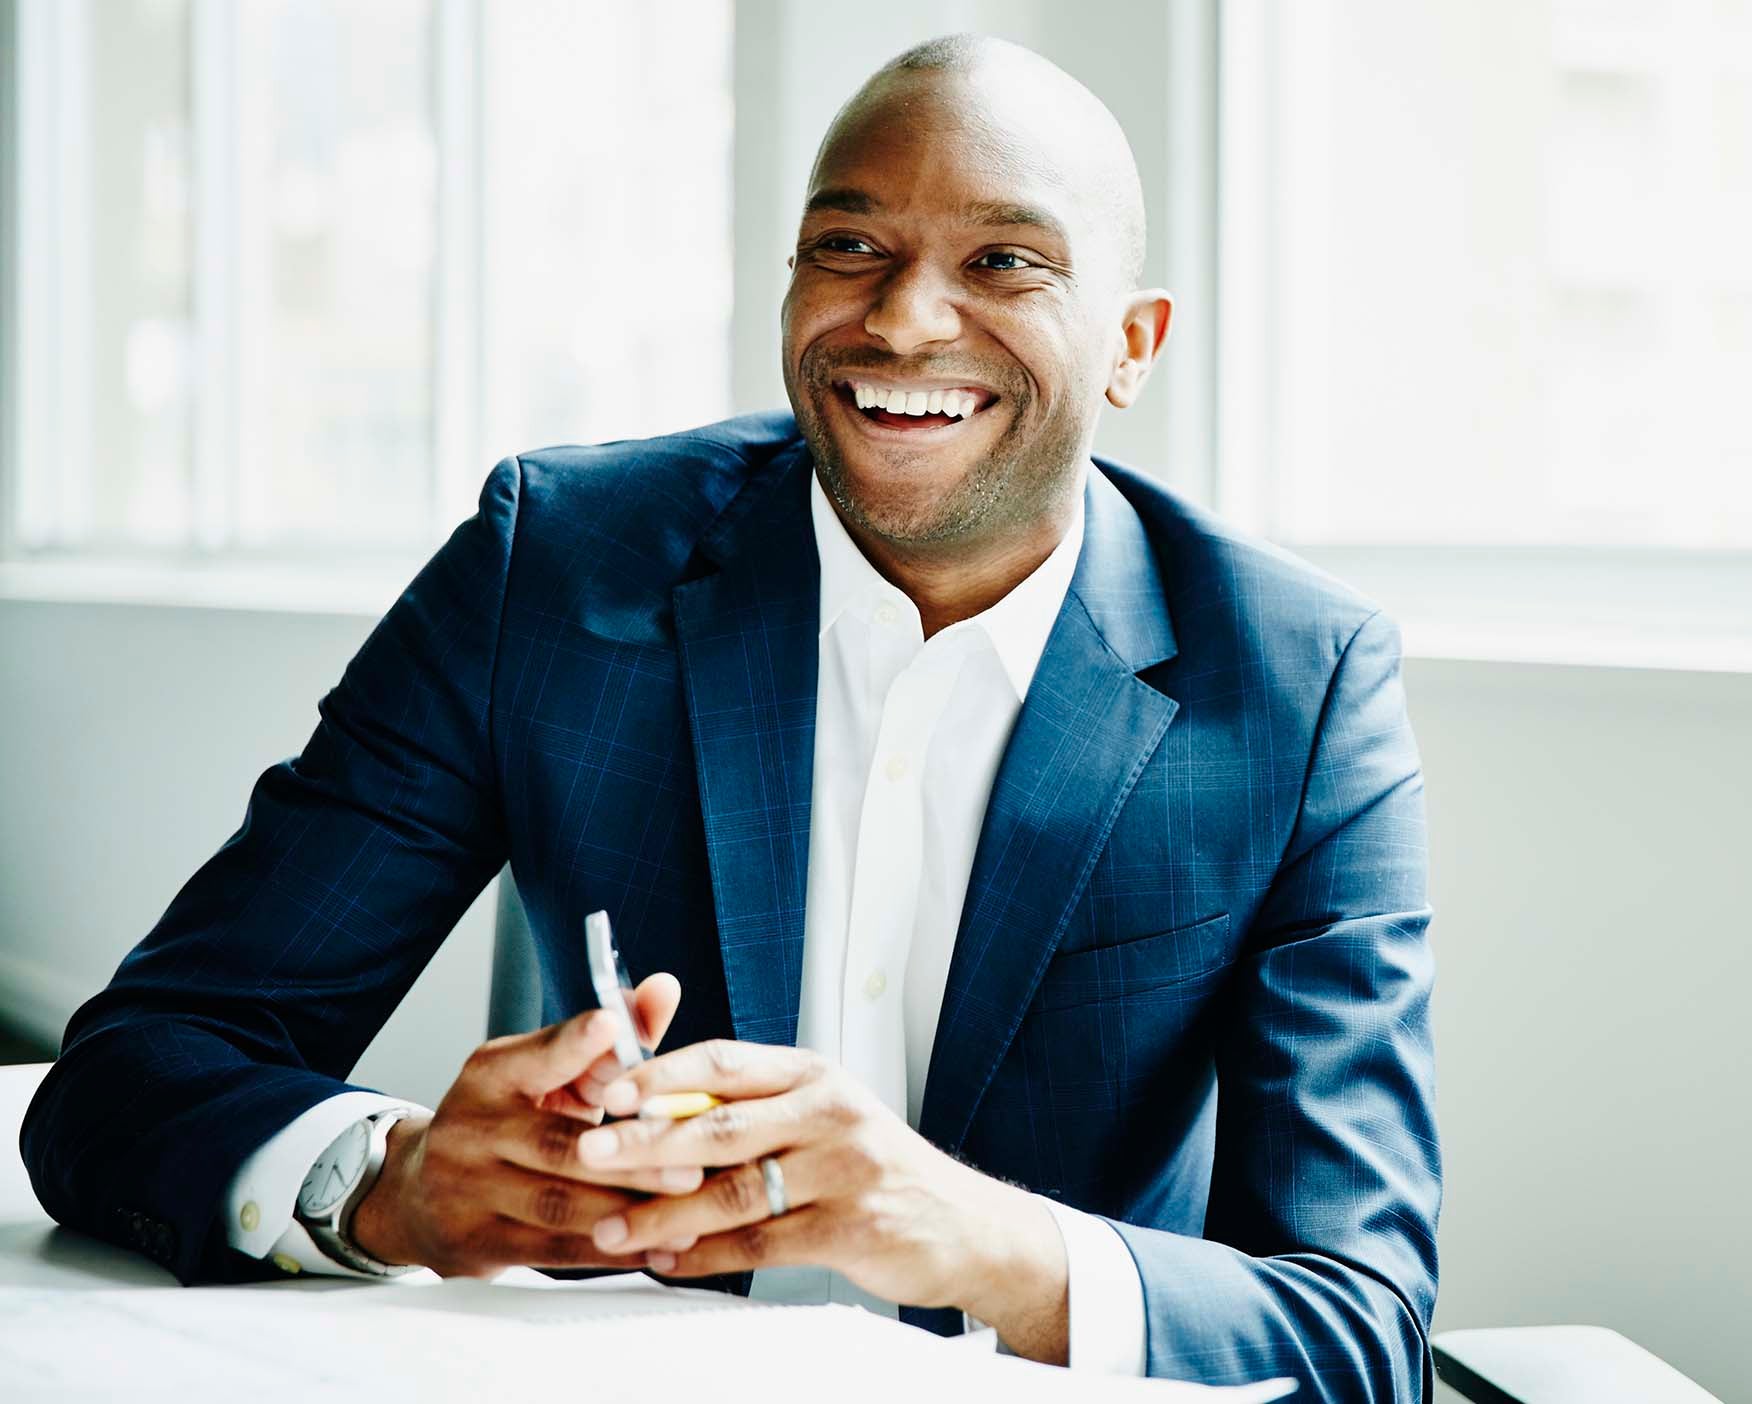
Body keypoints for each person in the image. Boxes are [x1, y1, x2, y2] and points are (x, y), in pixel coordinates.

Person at [19, 32, 1439, 1403]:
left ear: (1131, 345)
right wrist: (392, 1185)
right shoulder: (554, 568)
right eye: (848, 248)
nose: (899, 318)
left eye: (1003, 260)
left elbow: (1361, 1329)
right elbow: (126, 1082)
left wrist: (964, 1235)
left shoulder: (1296, 687)